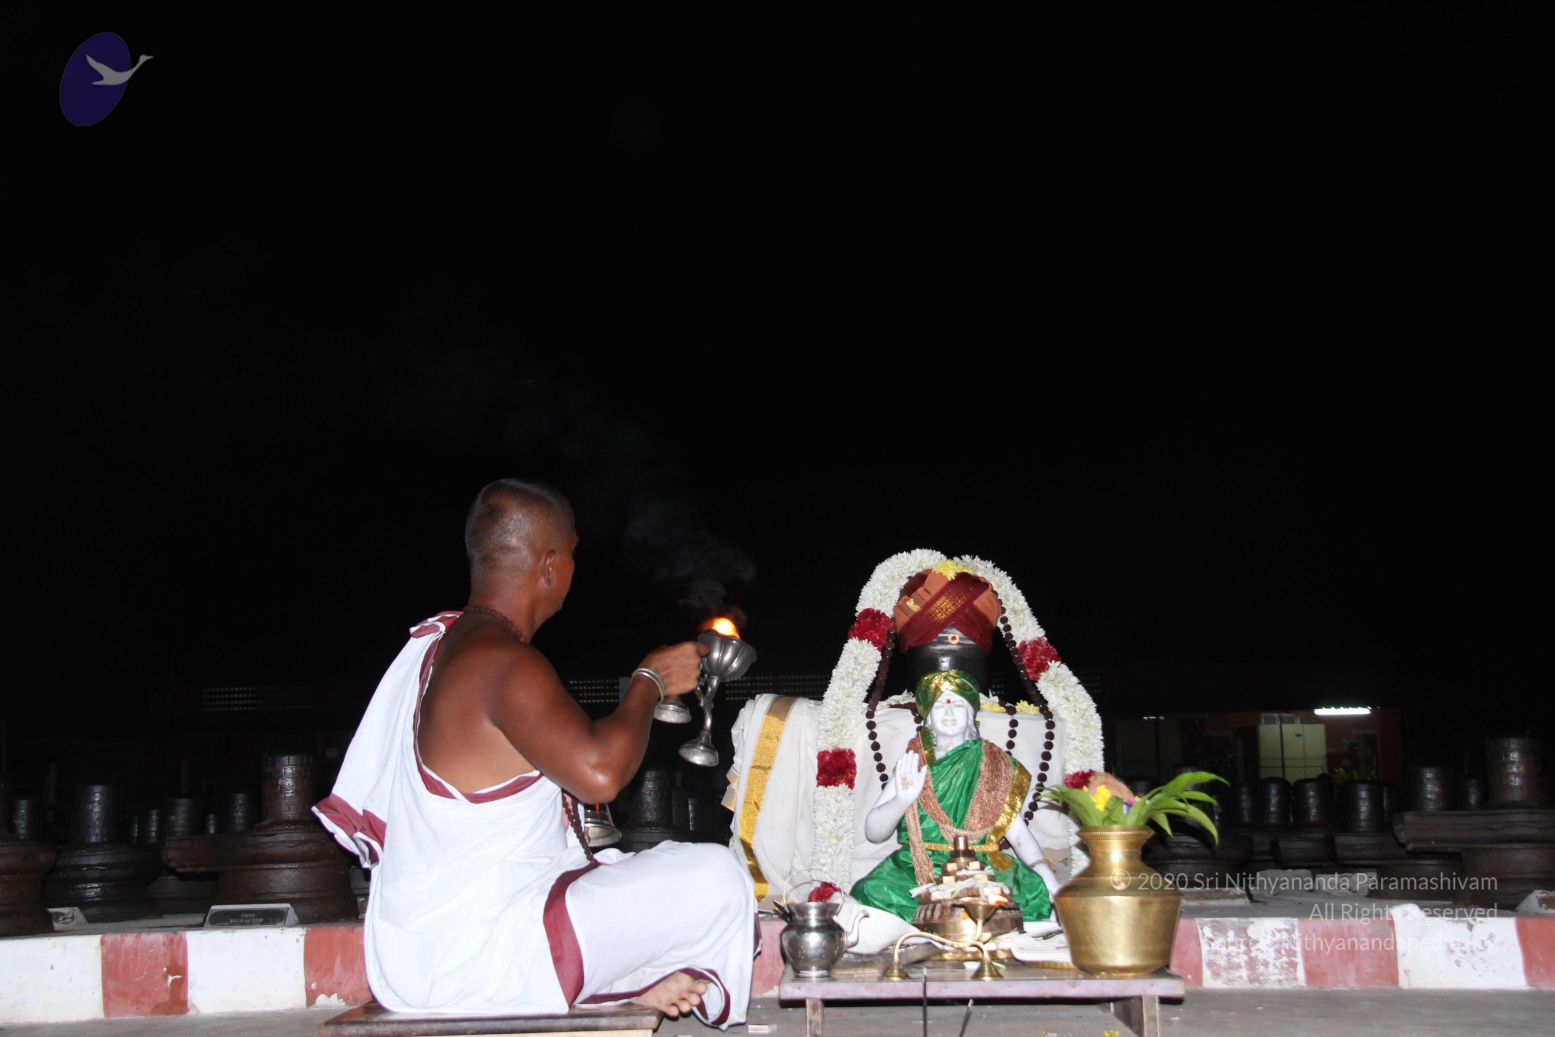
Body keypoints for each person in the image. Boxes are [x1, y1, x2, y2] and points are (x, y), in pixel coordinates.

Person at [314, 479, 755, 1026]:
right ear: (548, 565)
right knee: (716, 877)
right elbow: (599, 773)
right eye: (571, 553)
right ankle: (603, 978)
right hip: (477, 956)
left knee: (634, 867)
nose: (573, 568)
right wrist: (650, 680)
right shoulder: (501, 662)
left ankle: (614, 980)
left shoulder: (447, 646)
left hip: (438, 950)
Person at [845, 669, 1059, 947]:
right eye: (939, 706)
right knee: (869, 891)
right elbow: (874, 833)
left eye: (957, 705)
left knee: (1033, 891)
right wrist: (902, 800)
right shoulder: (913, 763)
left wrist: (1047, 876)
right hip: (919, 866)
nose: (948, 713)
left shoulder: (993, 764)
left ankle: (941, 934)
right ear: (928, 718)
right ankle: (956, 934)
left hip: (982, 868)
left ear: (971, 715)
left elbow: (1017, 834)